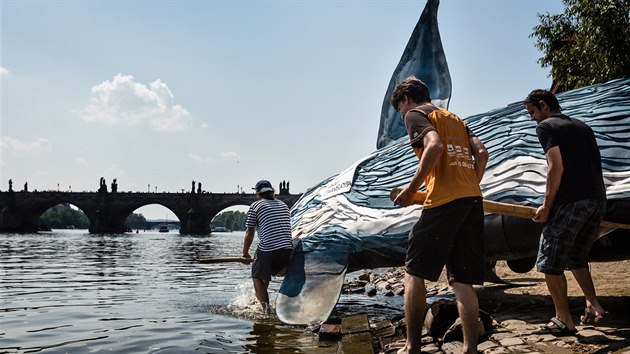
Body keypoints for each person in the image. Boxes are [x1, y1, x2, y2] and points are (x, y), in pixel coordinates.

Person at [392, 76, 488, 354]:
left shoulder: (416, 113)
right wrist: (470, 183)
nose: (401, 116)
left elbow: (434, 146)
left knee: (413, 272)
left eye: (399, 109)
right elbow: (482, 154)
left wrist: (411, 190)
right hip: (472, 200)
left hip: (443, 202)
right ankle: (470, 350)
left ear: (406, 99)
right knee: (461, 280)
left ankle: (413, 347)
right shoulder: (455, 118)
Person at [524, 89, 607, 336]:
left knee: (549, 261)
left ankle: (563, 320)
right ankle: (594, 305)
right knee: (576, 257)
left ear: (543, 105)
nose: (532, 119)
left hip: (572, 201)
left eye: (532, 112)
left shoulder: (547, 127)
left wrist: (547, 206)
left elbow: (555, 167)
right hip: (596, 200)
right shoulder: (582, 126)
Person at [242, 179, 294, 314]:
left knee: (257, 276)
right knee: (265, 274)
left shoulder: (255, 206)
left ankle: (266, 311)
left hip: (269, 248)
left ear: (258, 193)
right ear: (272, 191)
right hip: (288, 249)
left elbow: (250, 231)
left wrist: (245, 253)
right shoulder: (283, 205)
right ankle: (257, 299)